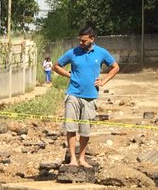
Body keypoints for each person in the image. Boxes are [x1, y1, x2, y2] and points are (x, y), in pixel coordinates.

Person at [51, 27, 119, 167]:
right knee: (71, 127)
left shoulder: (101, 52)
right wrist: (69, 75)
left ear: (92, 39)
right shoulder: (73, 52)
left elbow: (115, 67)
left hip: (90, 97)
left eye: (84, 41)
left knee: (85, 130)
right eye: (80, 40)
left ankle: (82, 158)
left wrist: (103, 81)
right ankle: (72, 159)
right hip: (73, 94)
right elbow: (56, 66)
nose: (81, 43)